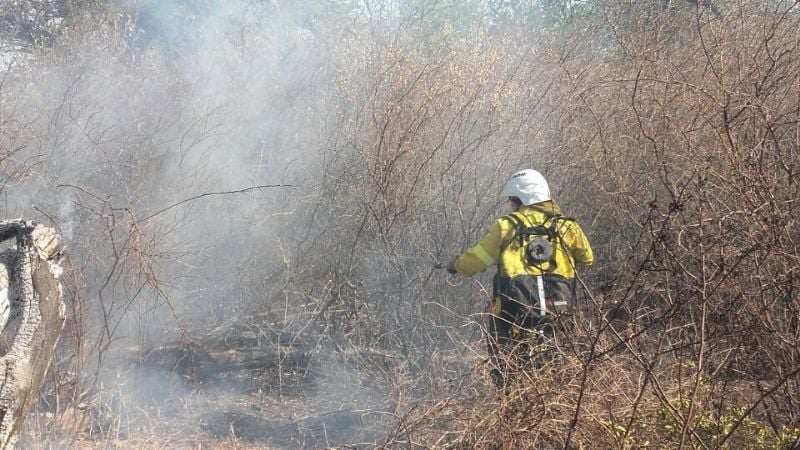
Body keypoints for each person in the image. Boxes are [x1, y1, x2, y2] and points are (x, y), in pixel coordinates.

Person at [446, 169, 593, 386]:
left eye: (513, 200)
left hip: (512, 317)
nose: (512, 204)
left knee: (509, 373)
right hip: (558, 313)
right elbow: (587, 258)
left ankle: (514, 410)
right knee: (559, 372)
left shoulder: (506, 226)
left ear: (521, 198)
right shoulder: (566, 227)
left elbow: (474, 262)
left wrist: (455, 265)